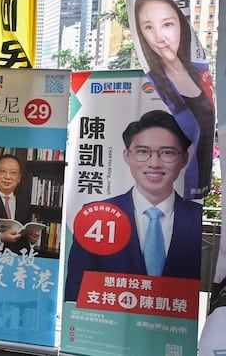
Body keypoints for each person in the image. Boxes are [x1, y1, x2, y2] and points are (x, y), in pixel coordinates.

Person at [64, 110, 202, 302]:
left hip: (174, 327)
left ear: (184, 158)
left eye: (167, 152)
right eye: (143, 152)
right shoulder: (96, 216)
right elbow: (75, 291)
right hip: (111, 327)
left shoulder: (198, 219)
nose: (154, 163)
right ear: (127, 156)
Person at [134, 0, 215, 198]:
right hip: (169, 193)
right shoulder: (151, 84)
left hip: (199, 192)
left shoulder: (201, 70)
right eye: (148, 27)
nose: (159, 37)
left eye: (167, 24)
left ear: (181, 25)